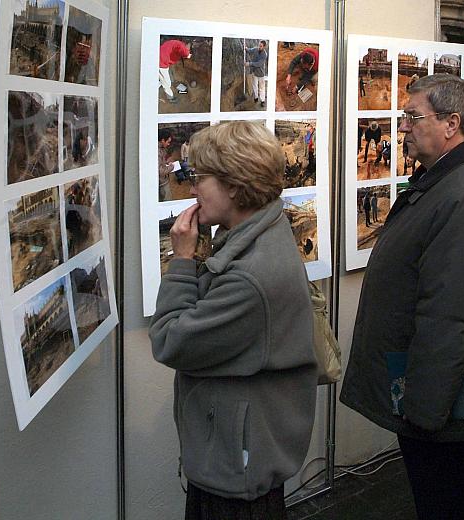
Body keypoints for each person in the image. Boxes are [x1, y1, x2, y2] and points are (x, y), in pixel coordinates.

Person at [340, 74, 464, 519]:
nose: (403, 127)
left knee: (444, 499)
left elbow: (452, 313)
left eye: (413, 117)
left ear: (452, 123)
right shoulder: (447, 182)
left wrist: (425, 408)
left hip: (434, 398)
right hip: (427, 389)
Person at [148, 121, 317, 519]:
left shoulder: (249, 276)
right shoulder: (264, 229)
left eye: (199, 178)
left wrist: (183, 260)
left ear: (235, 185)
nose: (191, 189)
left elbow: (169, 340)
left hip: (237, 472)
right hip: (239, 451)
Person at [244, 40, 268, 108]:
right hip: (254, 72)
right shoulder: (255, 49)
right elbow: (250, 50)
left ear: (264, 47)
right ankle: (256, 97)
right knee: (254, 85)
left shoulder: (264, 54)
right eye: (259, 45)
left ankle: (262, 100)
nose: (259, 47)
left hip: (261, 74)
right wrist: (246, 48)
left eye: (261, 46)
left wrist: (249, 64)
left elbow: (259, 64)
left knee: (261, 88)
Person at [158, 129, 174, 201]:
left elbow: (160, 162)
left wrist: (166, 162)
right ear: (162, 140)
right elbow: (160, 171)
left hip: (162, 182)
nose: (168, 144)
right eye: (168, 142)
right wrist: (171, 167)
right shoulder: (157, 151)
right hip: (162, 183)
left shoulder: (162, 148)